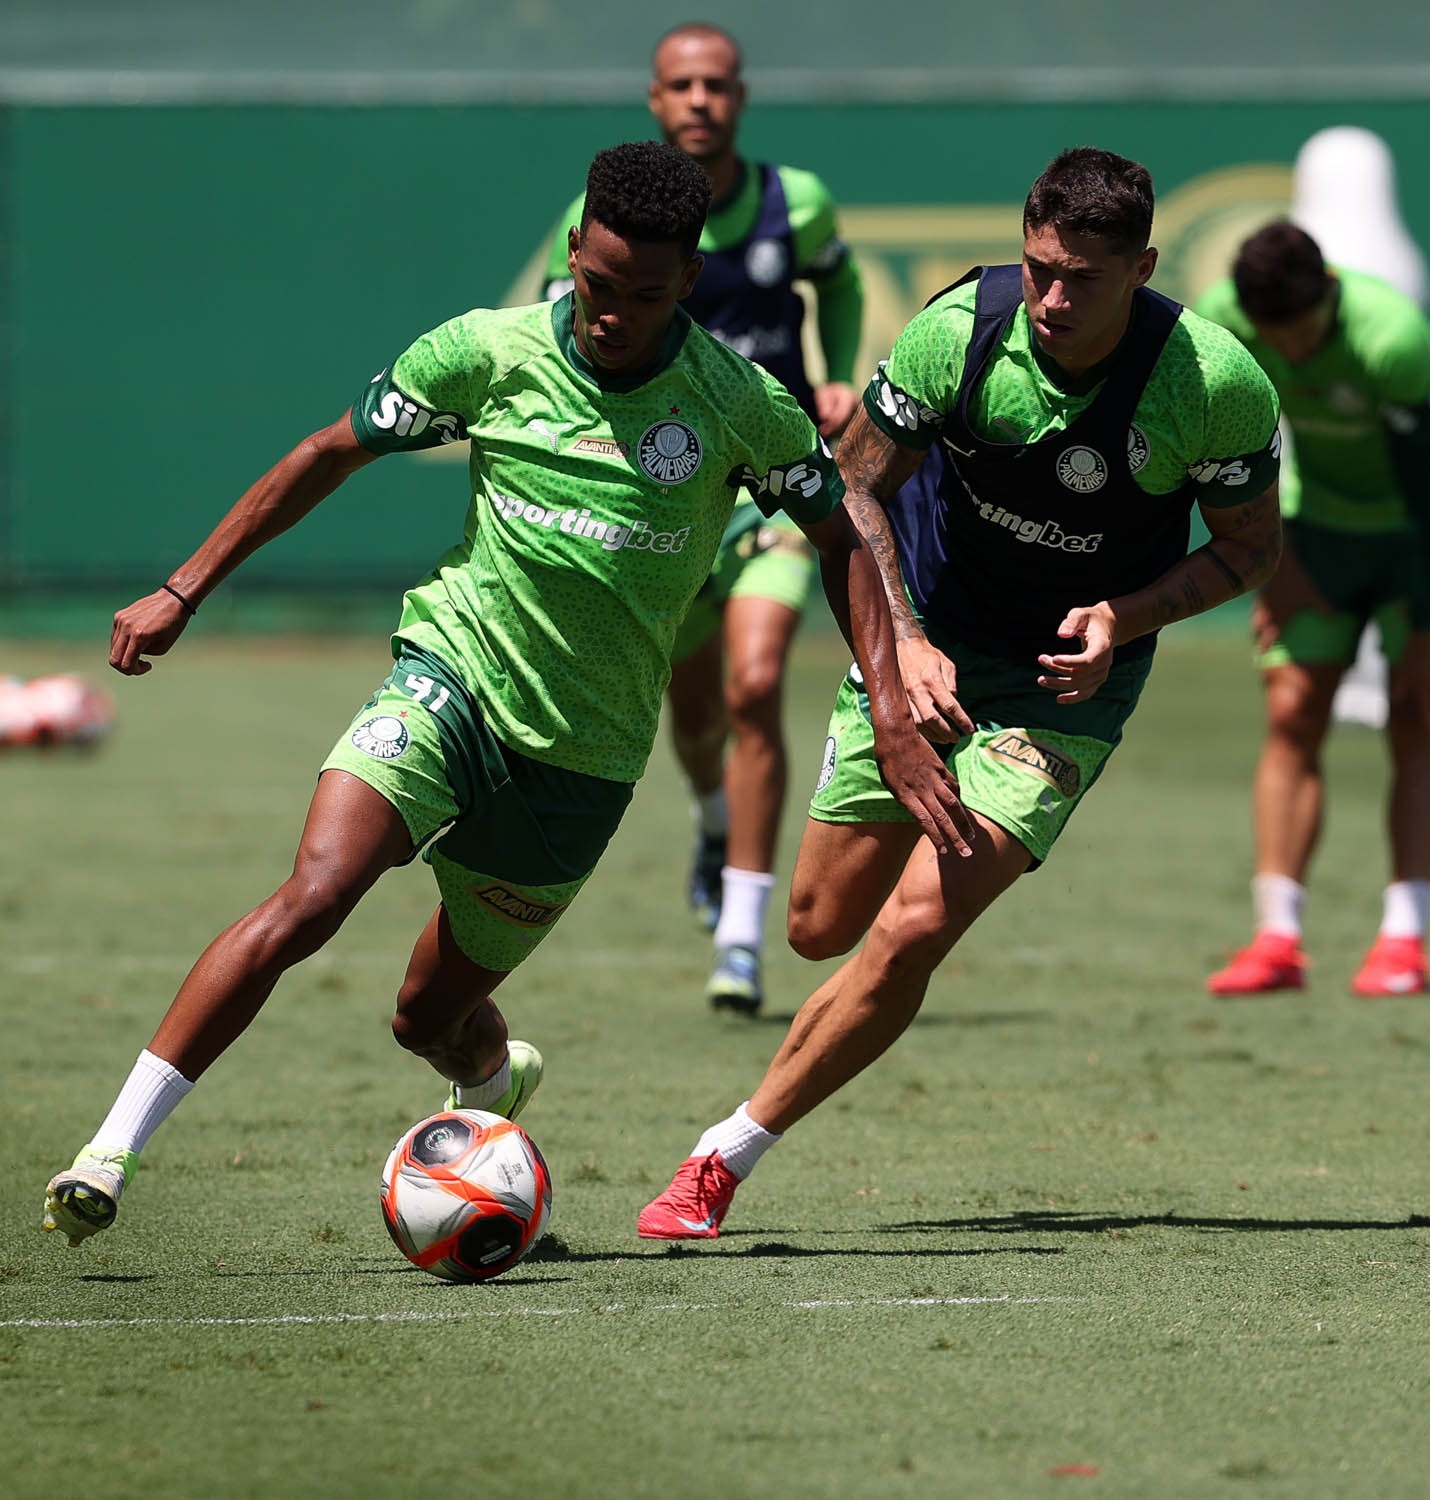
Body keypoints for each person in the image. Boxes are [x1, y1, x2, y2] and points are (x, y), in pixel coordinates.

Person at [41, 140, 966, 1251]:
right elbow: (328, 452)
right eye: (598, 284)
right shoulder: (486, 351)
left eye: (646, 295)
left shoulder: (738, 404)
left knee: (425, 1016)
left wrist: (888, 701)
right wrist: (185, 587)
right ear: (572, 250)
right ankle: (109, 1152)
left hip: (582, 761)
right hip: (452, 682)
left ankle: (487, 1075)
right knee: (314, 896)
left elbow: (844, 534)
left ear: (689, 279)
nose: (614, 314)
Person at [636, 145, 1284, 1240]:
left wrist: (1125, 619)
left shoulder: (1212, 384)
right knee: (818, 928)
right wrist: (904, 641)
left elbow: (1250, 549)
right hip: (924, 645)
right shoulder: (960, 334)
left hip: (1063, 693)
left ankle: (723, 1156)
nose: (1053, 300)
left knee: (914, 926)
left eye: (1084, 279)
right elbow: (851, 486)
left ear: (1143, 270)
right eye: (1039, 269)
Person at [538, 23, 866, 1015]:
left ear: (740, 97)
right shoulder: (599, 220)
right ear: (654, 98)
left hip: (770, 485)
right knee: (692, 717)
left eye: (716, 85)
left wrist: (837, 373)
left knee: (756, 684)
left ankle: (740, 937)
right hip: (668, 502)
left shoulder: (795, 203)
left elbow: (840, 281)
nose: (699, 101)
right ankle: (714, 821)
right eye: (680, 85)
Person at [1198, 221, 1430, 999]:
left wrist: (1427, 629)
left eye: (1302, 330)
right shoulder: (1223, 322)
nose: (1290, 351)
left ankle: (1404, 941)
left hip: (1424, 531)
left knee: (1416, 714)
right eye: (1274, 335)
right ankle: (1277, 940)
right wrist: (1275, 559)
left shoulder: (1392, 341)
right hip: (1318, 528)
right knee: (1292, 709)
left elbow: (1424, 491)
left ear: (1329, 290)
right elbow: (1213, 454)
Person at [1291, 125, 1430, 731]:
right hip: (1374, 454)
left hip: (1320, 451)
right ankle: (1367, 671)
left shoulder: (1314, 254)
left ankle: (1332, 669)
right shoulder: (1400, 257)